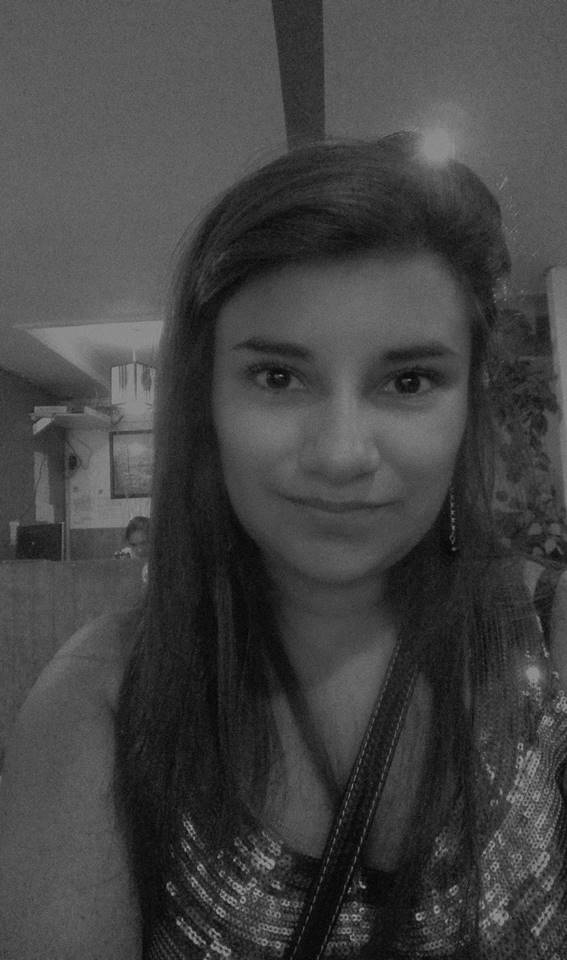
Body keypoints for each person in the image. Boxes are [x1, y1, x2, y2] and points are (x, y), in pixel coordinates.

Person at [0, 133, 566, 959]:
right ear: (205, 401)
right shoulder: (101, 702)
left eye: (408, 381)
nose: (340, 453)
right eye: (278, 377)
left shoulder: (550, 637)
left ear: (467, 406)